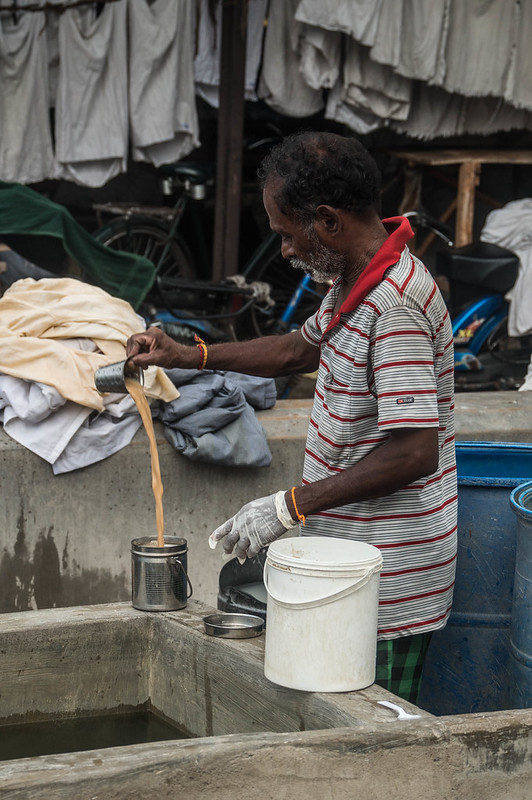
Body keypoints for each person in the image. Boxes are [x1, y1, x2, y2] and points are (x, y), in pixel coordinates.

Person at [126, 131, 457, 703]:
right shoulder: (355, 280)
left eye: (284, 232)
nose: (283, 250)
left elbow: (413, 452)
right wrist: (190, 355)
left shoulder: (394, 305)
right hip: (347, 564)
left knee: (373, 752)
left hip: (388, 579)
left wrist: (288, 506)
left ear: (326, 220)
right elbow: (297, 351)